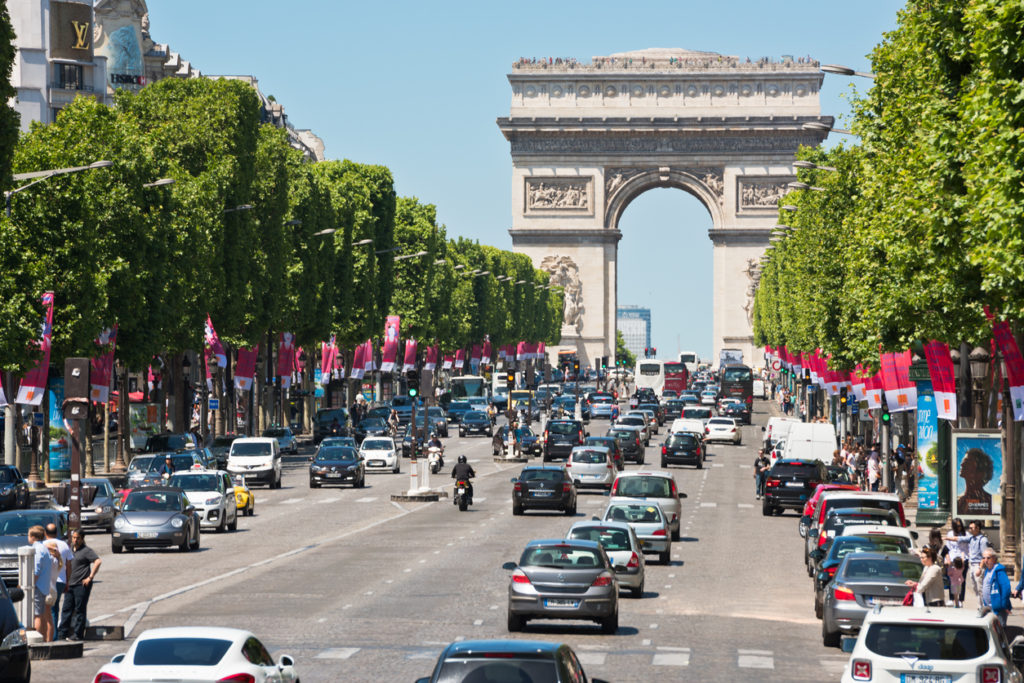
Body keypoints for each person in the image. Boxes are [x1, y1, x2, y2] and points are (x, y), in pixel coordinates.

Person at [57, 529, 101, 641]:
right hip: (70, 584)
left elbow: (98, 561)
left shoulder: (86, 551)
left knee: (80, 610)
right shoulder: (70, 550)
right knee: (66, 609)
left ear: (82, 539)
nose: (75, 540)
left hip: (81, 585)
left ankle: (78, 634)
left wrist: (90, 577)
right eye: (74, 537)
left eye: (78, 538)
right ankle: (62, 633)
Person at [45, 523, 72, 635]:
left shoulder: (42, 545)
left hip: (47, 582)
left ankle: (51, 635)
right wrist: (67, 582)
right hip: (61, 580)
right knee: (55, 609)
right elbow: (69, 566)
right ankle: (54, 634)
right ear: (57, 533)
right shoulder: (65, 545)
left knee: (48, 610)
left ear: (45, 533)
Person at [27, 525, 52, 637]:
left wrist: (30, 584)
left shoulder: (36, 549)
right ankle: (43, 639)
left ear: (33, 537)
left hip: (37, 586)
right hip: (44, 586)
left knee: (37, 616)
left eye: (28, 535)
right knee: (41, 615)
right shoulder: (44, 548)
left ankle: (36, 639)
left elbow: (36, 570)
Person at [957, 448, 995, 516]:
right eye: (963, 461)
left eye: (967, 462)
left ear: (980, 471)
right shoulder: (959, 501)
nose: (962, 464)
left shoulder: (990, 500)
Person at [960, 520, 991, 599]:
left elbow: (985, 556)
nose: (969, 530)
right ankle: (980, 606)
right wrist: (947, 538)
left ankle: (984, 606)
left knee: (980, 587)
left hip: (978, 565)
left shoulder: (983, 540)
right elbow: (959, 538)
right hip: (972, 565)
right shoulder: (971, 538)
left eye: (971, 528)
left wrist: (980, 568)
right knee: (975, 587)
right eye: (969, 528)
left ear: (977, 528)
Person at [981, 548, 1012, 626]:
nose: (986, 560)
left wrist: (1004, 605)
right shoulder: (987, 570)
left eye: (988, 558)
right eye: (984, 558)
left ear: (994, 558)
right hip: (989, 608)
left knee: (1000, 631)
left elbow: (1006, 588)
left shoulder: (999, 571)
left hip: (999, 608)